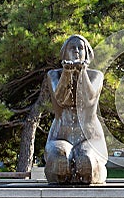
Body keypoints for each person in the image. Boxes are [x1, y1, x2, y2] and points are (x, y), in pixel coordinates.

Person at [44, 35, 108, 184]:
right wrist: (67, 72)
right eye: (72, 48)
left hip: (90, 137)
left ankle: (98, 171)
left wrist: (82, 72)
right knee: (60, 160)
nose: (77, 51)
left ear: (87, 53)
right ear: (65, 53)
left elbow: (87, 100)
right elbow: (61, 99)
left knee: (85, 161)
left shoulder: (96, 75)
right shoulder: (54, 75)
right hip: (61, 135)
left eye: (80, 48)